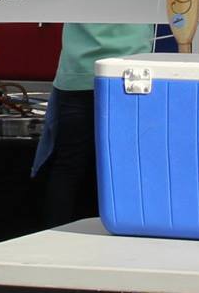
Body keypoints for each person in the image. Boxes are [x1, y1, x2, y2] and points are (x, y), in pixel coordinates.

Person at [33, 23, 155, 228]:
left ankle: (55, 237)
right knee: (127, 165)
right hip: (131, 73)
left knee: (69, 167)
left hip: (77, 73)